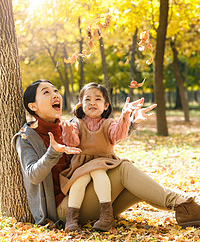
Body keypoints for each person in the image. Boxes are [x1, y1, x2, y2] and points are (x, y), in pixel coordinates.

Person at [12, 79, 200, 230]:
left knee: (137, 186)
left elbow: (101, 137)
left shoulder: (68, 125)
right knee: (124, 169)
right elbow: (32, 176)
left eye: (55, 91)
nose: (55, 94)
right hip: (65, 209)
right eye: (46, 92)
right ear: (33, 106)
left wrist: (131, 121)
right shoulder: (26, 137)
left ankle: (187, 209)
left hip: (92, 192)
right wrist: (53, 152)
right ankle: (187, 205)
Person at [59, 82, 144, 231]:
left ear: (106, 105)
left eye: (98, 99)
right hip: (81, 164)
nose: (92, 102)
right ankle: (71, 219)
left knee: (98, 173)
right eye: (87, 99)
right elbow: (73, 141)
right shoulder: (75, 123)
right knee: (79, 181)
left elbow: (118, 134)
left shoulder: (108, 123)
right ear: (80, 105)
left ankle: (106, 215)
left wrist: (125, 115)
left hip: (104, 162)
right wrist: (66, 129)